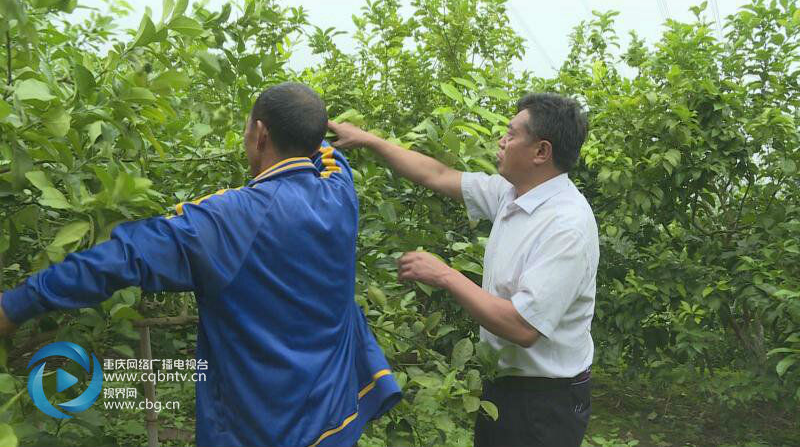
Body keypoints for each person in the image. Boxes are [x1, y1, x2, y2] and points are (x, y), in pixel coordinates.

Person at [0, 82, 401, 447]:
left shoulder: (229, 219)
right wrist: (341, 133)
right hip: (334, 420)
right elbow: (326, 154)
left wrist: (16, 304)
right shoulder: (339, 193)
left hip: (261, 432)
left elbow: (121, 258)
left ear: (259, 134)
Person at [327, 92, 598, 447]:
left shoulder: (566, 225)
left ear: (541, 152)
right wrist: (369, 140)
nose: (501, 141)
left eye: (511, 134)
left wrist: (444, 275)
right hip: (503, 386)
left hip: (544, 400)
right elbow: (437, 174)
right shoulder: (512, 193)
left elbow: (523, 326)